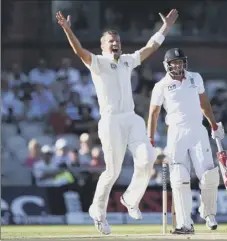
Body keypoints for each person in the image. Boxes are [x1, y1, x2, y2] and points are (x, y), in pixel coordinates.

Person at [55, 9, 179, 235]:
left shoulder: (127, 61)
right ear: (103, 45)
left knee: (148, 156)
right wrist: (67, 30)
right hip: (111, 120)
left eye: (118, 41)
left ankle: (131, 199)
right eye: (111, 41)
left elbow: (150, 48)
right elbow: (78, 50)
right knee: (112, 171)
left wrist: (165, 28)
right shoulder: (98, 62)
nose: (116, 44)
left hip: (131, 118)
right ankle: (98, 211)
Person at [147, 48, 225, 234]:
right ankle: (185, 223)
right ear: (167, 65)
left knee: (208, 174)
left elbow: (204, 104)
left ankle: (208, 214)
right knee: (179, 177)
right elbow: (154, 113)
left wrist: (214, 125)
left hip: (198, 130)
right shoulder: (161, 86)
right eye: (174, 63)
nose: (178, 65)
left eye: (181, 62)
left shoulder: (195, 78)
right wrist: (150, 138)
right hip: (176, 133)